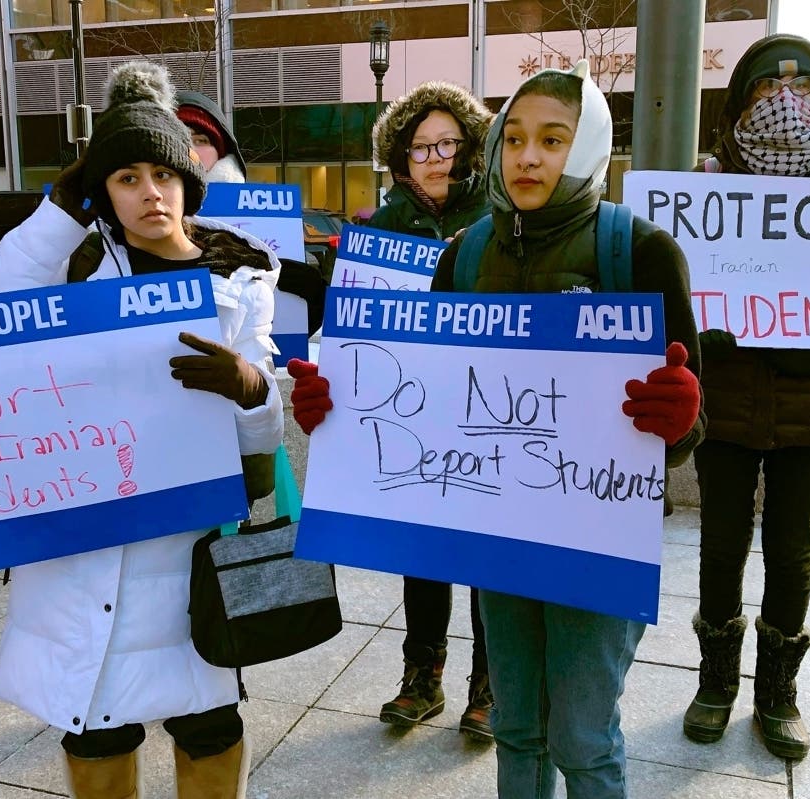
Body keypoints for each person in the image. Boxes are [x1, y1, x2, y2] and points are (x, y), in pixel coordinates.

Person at [291, 60, 703, 798]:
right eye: (512, 138)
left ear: (588, 149)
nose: (527, 156)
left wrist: (678, 413)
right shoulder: (465, 253)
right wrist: (339, 407)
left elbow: (691, 426)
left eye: (551, 139)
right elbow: (418, 392)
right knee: (515, 725)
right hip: (501, 538)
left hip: (593, 541)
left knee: (582, 735)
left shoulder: (639, 252)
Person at [0, 61, 283, 799]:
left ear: (187, 183)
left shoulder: (241, 274)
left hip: (186, 547)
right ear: (102, 191)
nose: (149, 193)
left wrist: (250, 387)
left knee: (208, 720)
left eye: (163, 175)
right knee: (96, 719)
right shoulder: (72, 265)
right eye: (127, 177)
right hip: (85, 545)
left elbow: (262, 438)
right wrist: (57, 213)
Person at [682, 34, 810, 761]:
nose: (784, 103)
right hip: (725, 398)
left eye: (800, 88)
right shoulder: (705, 184)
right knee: (720, 542)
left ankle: (776, 692)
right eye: (766, 88)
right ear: (739, 101)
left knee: (791, 550)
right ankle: (714, 682)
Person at [366, 80, 497, 741]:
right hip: (412, 412)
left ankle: (488, 682)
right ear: (400, 158)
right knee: (423, 550)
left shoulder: (503, 222)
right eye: (420, 147)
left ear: (472, 147)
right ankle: (422, 675)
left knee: (481, 554)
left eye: (448, 142)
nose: (435, 156)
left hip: (487, 411)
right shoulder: (380, 230)